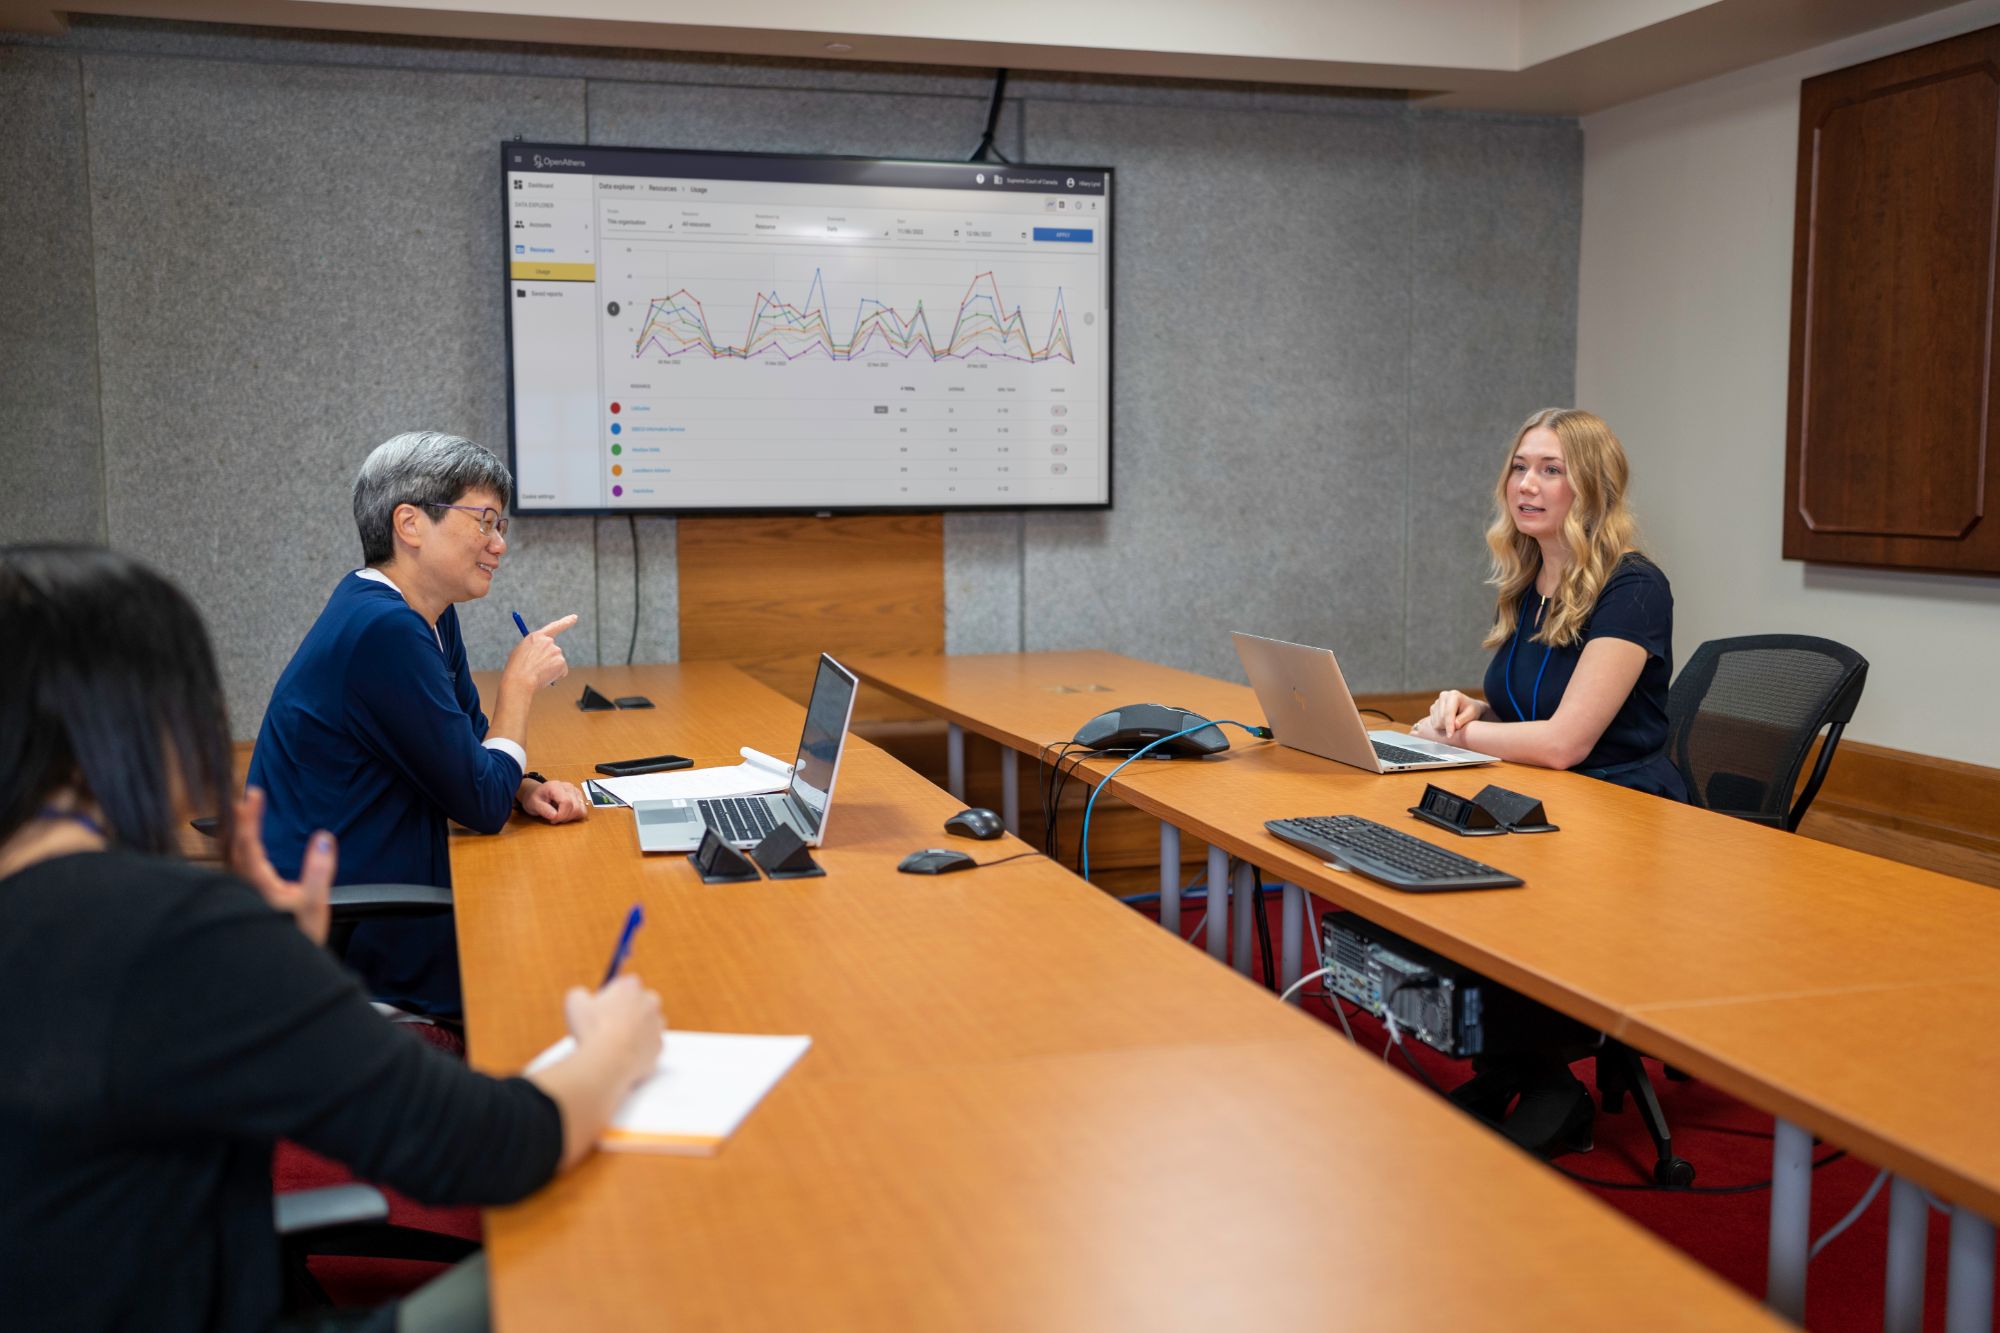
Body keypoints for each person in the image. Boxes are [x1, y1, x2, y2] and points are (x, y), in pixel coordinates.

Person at [0, 544, 664, 1332]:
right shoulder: (172, 929)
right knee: (594, 1282)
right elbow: (489, 1143)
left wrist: (279, 965)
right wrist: (614, 1048)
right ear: (145, 727)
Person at [250, 431, 589, 1016]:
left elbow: (470, 752)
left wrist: (525, 789)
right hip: (355, 925)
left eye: (501, 525)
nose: (498, 544)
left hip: (383, 881)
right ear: (409, 524)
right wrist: (519, 685)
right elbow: (479, 805)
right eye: (484, 521)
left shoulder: (423, 614)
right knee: (555, 964)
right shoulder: (384, 631)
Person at [1412, 407, 1687, 802]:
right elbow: (1535, 716)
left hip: (1620, 802)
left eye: (1551, 470)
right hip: (1539, 791)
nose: (1526, 484)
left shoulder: (1634, 588)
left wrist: (1454, 735)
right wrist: (1475, 712)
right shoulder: (1527, 583)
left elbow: (1563, 745)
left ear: (1593, 486)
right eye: (1519, 467)